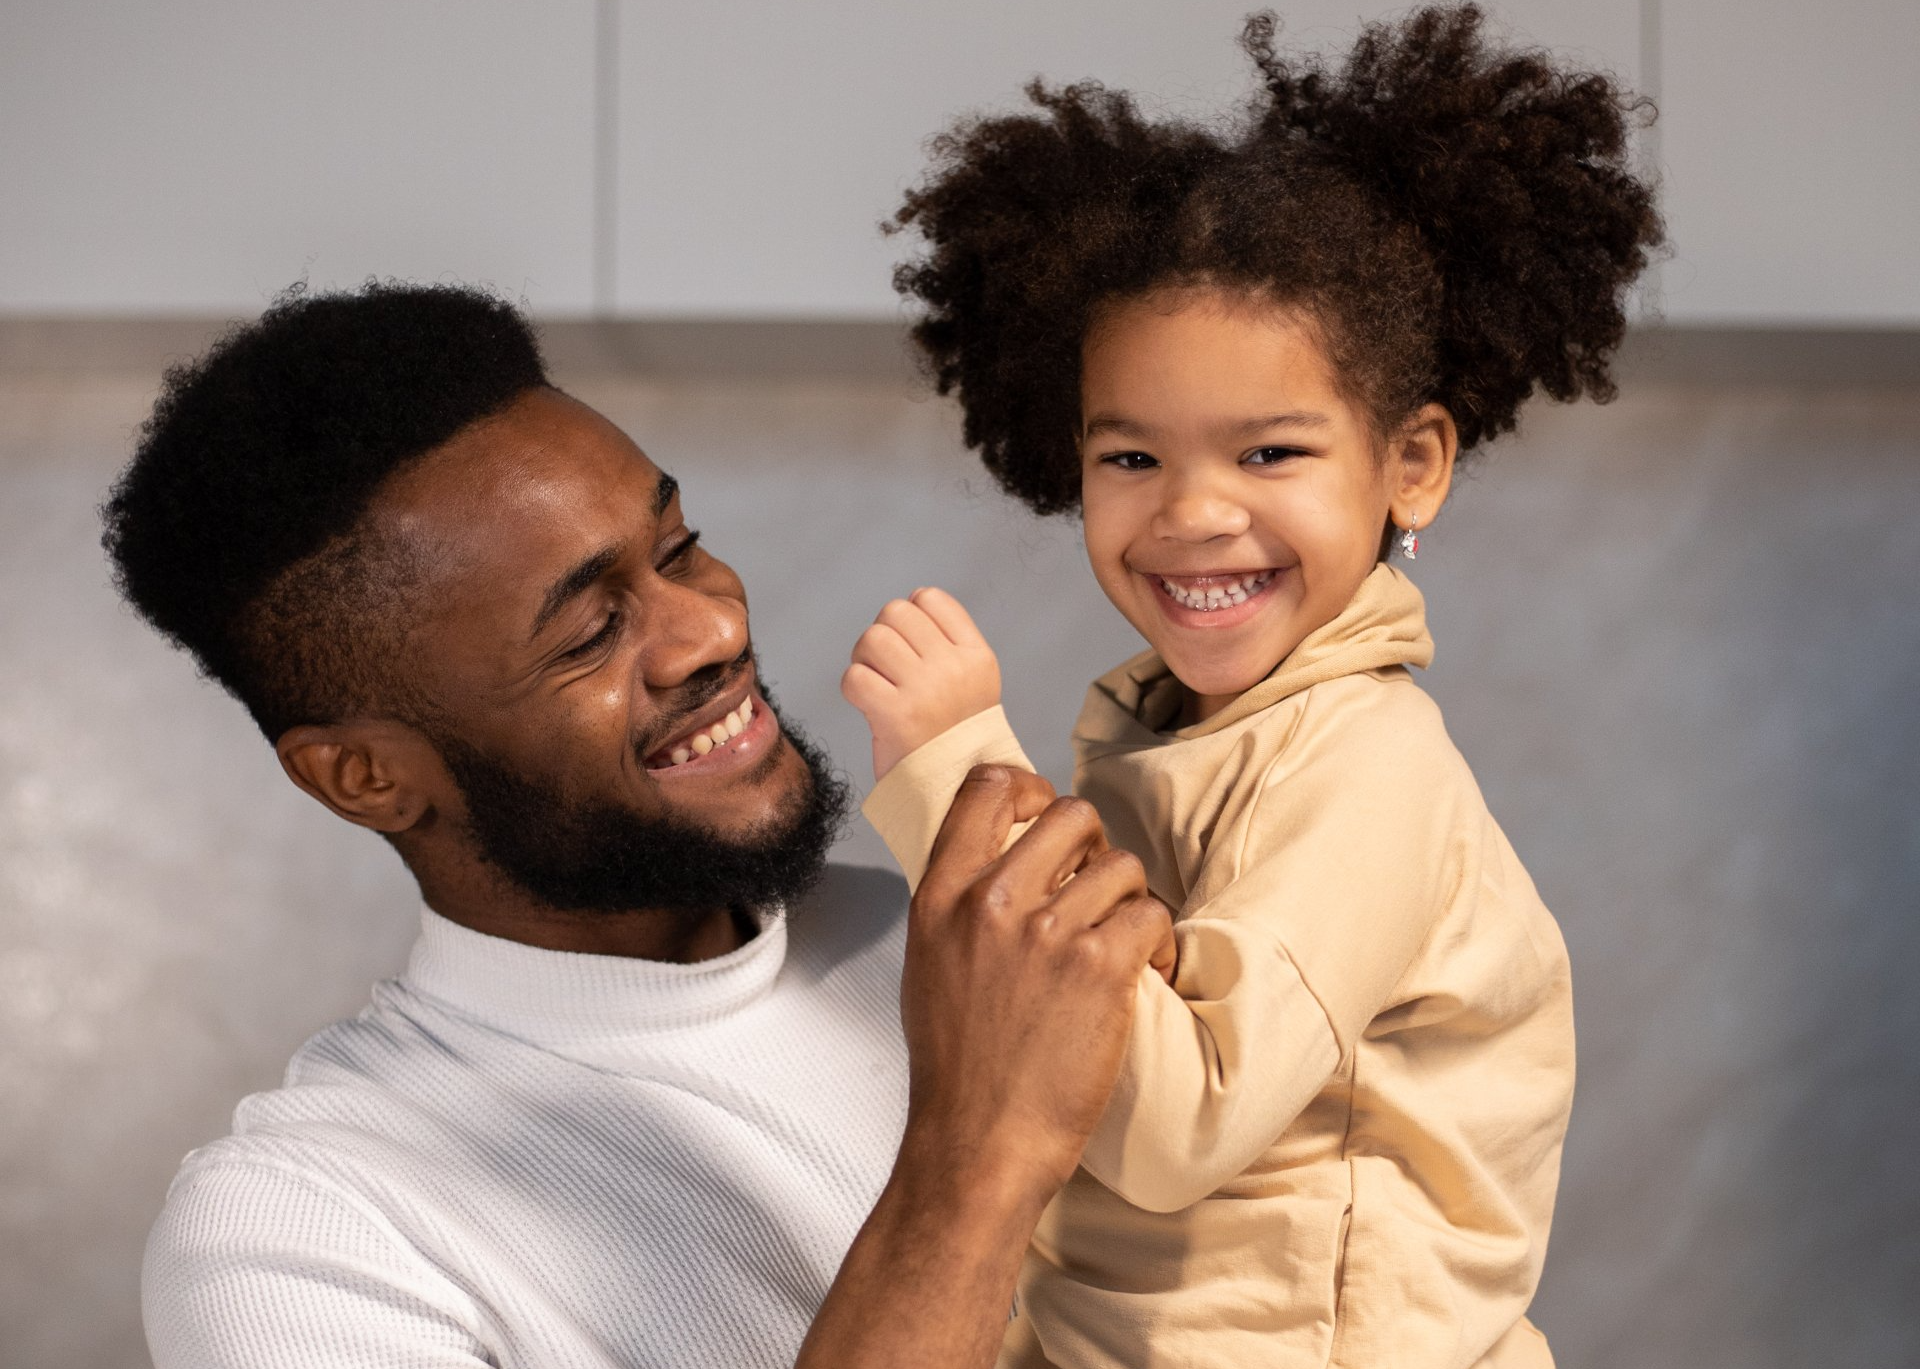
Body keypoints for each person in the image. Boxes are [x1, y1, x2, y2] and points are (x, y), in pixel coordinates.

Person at [107, 281, 1172, 1369]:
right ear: (366, 776)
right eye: (589, 633)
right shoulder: (303, 1235)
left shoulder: (957, 936)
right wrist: (977, 1153)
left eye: (677, 547)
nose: (712, 626)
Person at [841, 7, 1663, 1367]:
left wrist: (954, 780)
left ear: (1412, 465)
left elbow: (1173, 1129)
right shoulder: (1170, 733)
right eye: (1132, 459)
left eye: (1270, 453)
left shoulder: (1363, 766)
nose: (1193, 514)